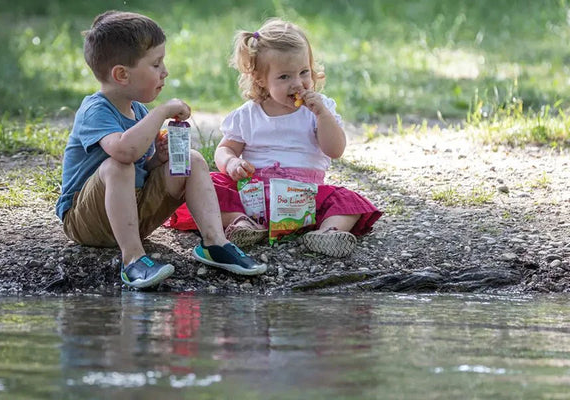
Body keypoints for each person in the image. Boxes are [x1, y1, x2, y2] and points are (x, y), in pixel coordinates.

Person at [55, 11, 266, 289]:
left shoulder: (139, 111)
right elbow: (124, 153)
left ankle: (215, 242)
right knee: (117, 166)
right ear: (121, 74)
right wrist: (162, 111)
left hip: (135, 216)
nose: (164, 71)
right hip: (86, 221)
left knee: (191, 159)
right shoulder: (95, 110)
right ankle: (133, 259)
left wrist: (157, 160)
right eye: (156, 64)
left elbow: (140, 168)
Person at [167, 18, 381, 257]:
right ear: (260, 79)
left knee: (346, 201)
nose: (297, 84)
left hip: (305, 198)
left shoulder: (319, 111)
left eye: (304, 72)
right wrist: (231, 162)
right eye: (284, 77)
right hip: (254, 198)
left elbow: (335, 150)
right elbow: (225, 149)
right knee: (207, 188)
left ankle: (327, 233)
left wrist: (322, 115)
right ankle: (241, 223)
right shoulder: (249, 114)